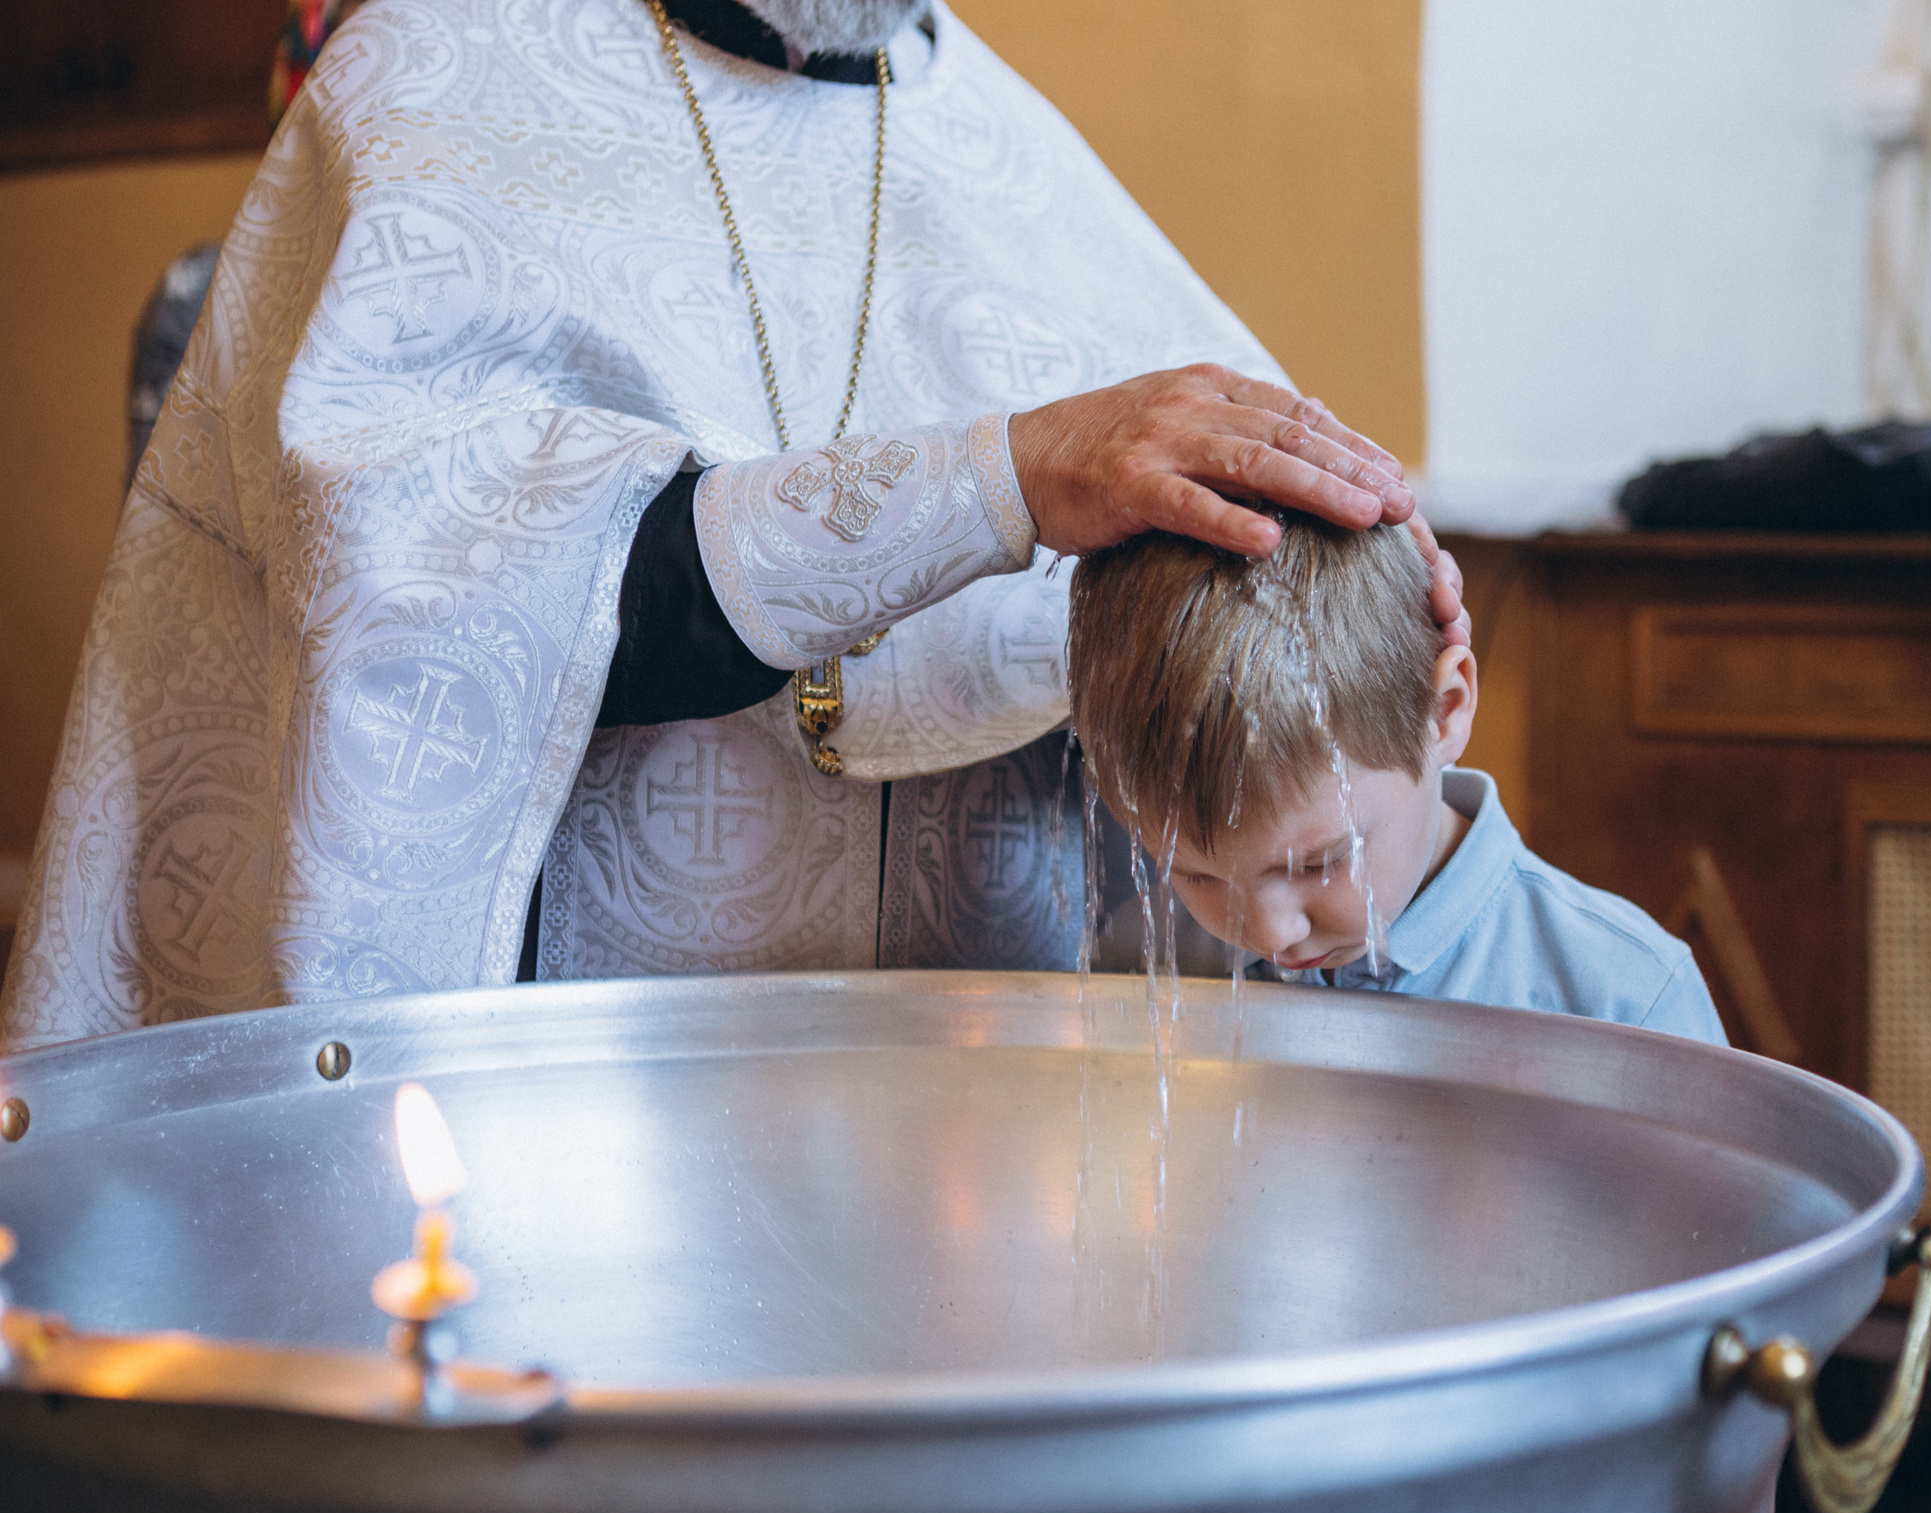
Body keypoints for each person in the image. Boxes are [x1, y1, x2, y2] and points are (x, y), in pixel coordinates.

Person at [0, 0, 1466, 1050]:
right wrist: (997, 475)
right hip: (560, 1120)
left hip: (968, 1159)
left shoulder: (1031, 170)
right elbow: (418, 614)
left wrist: (1368, 605)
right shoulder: (431, 75)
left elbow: (1255, 603)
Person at [1066, 514, 1726, 1044]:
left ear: (1443, 712)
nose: (1272, 933)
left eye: (1319, 860)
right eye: (1196, 874)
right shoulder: (1140, 962)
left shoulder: (1622, 1000)